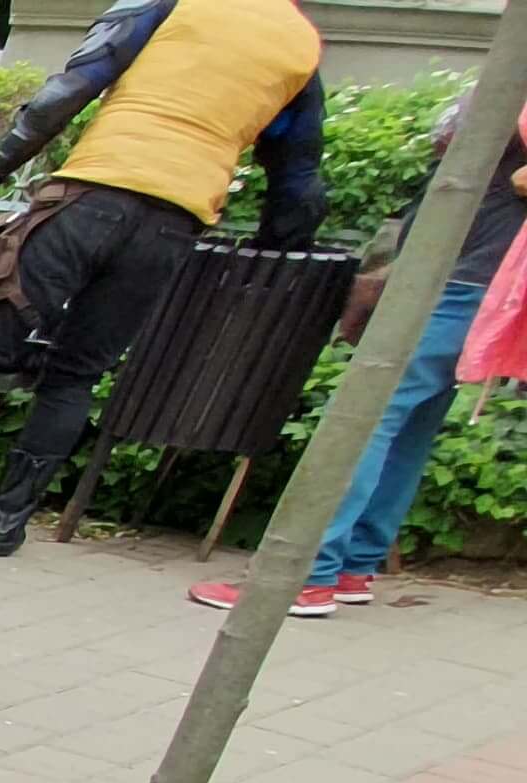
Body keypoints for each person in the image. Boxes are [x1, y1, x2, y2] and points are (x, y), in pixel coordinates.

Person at [0, 0, 325, 556]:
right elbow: (297, 170)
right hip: (171, 228)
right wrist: (281, 245)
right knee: (75, 376)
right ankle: (5, 526)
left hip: (87, 200)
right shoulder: (300, 46)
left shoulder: (168, 6)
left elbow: (69, 91)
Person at [192, 99, 519, 617]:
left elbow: (453, 135)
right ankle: (352, 565)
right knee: (409, 427)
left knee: (363, 419)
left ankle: (304, 575)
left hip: (457, 282)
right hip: (482, 285)